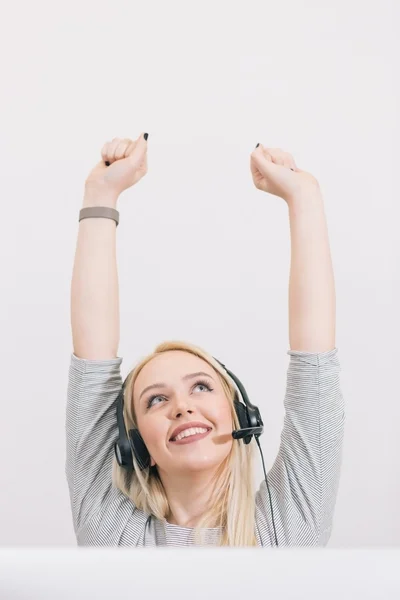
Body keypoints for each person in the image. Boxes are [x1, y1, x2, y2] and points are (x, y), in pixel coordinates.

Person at [66, 132, 344, 547]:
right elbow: (92, 359)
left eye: (201, 386)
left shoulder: (286, 528)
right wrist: (100, 192)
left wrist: (304, 197)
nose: (183, 407)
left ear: (240, 417)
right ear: (134, 441)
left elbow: (314, 364)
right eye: (155, 400)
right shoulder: (114, 537)